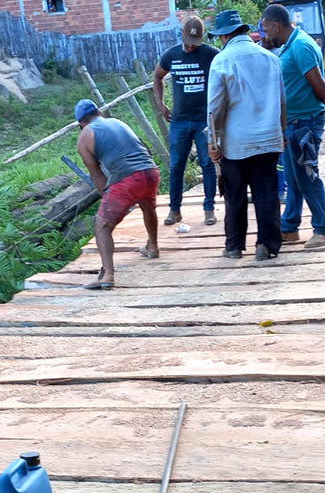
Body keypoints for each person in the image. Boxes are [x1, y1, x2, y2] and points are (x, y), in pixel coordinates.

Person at [206, 9, 285, 261]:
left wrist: (212, 141)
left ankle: (234, 247)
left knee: (235, 195)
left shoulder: (221, 60)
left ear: (224, 36)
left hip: (236, 142)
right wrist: (281, 132)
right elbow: (282, 102)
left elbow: (214, 108)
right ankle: (266, 246)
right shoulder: (271, 58)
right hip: (268, 139)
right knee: (267, 193)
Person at [261, 3, 325, 249]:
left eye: (265, 28)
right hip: (293, 123)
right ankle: (289, 227)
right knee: (293, 179)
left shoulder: (300, 46)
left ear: (276, 25)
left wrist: (322, 97)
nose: (265, 34)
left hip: (304, 123)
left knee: (308, 177)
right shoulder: (290, 45)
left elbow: (321, 87)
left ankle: (323, 229)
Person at [74, 98, 161, 289]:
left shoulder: (84, 137)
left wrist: (107, 196)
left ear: (81, 123)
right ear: (100, 113)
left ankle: (107, 276)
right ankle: (152, 247)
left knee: (102, 226)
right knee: (148, 206)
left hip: (127, 179)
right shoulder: (118, 122)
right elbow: (143, 148)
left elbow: (96, 174)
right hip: (150, 171)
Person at [153, 17, 219, 227]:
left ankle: (209, 209)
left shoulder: (211, 55)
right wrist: (161, 104)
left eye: (195, 42)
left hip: (204, 120)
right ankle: (175, 210)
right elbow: (157, 76)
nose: (191, 46)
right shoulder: (171, 55)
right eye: (187, 41)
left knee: (207, 164)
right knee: (176, 167)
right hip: (179, 121)